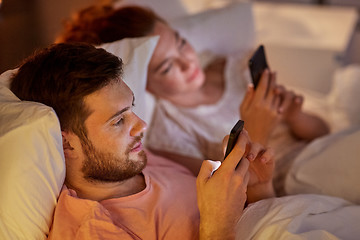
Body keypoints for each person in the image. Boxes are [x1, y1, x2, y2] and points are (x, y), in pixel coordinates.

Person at [10, 42, 276, 239]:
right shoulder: (92, 230)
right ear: (67, 144)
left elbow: (254, 216)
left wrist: (259, 188)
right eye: (118, 120)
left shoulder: (138, 160)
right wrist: (217, 227)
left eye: (132, 109)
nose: (142, 125)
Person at [56, 4, 329, 188]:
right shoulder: (168, 131)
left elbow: (323, 129)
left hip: (322, 149)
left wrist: (296, 116)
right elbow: (229, 192)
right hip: (294, 181)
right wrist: (258, 132)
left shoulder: (236, 66)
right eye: (166, 67)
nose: (188, 63)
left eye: (181, 43)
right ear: (144, 83)